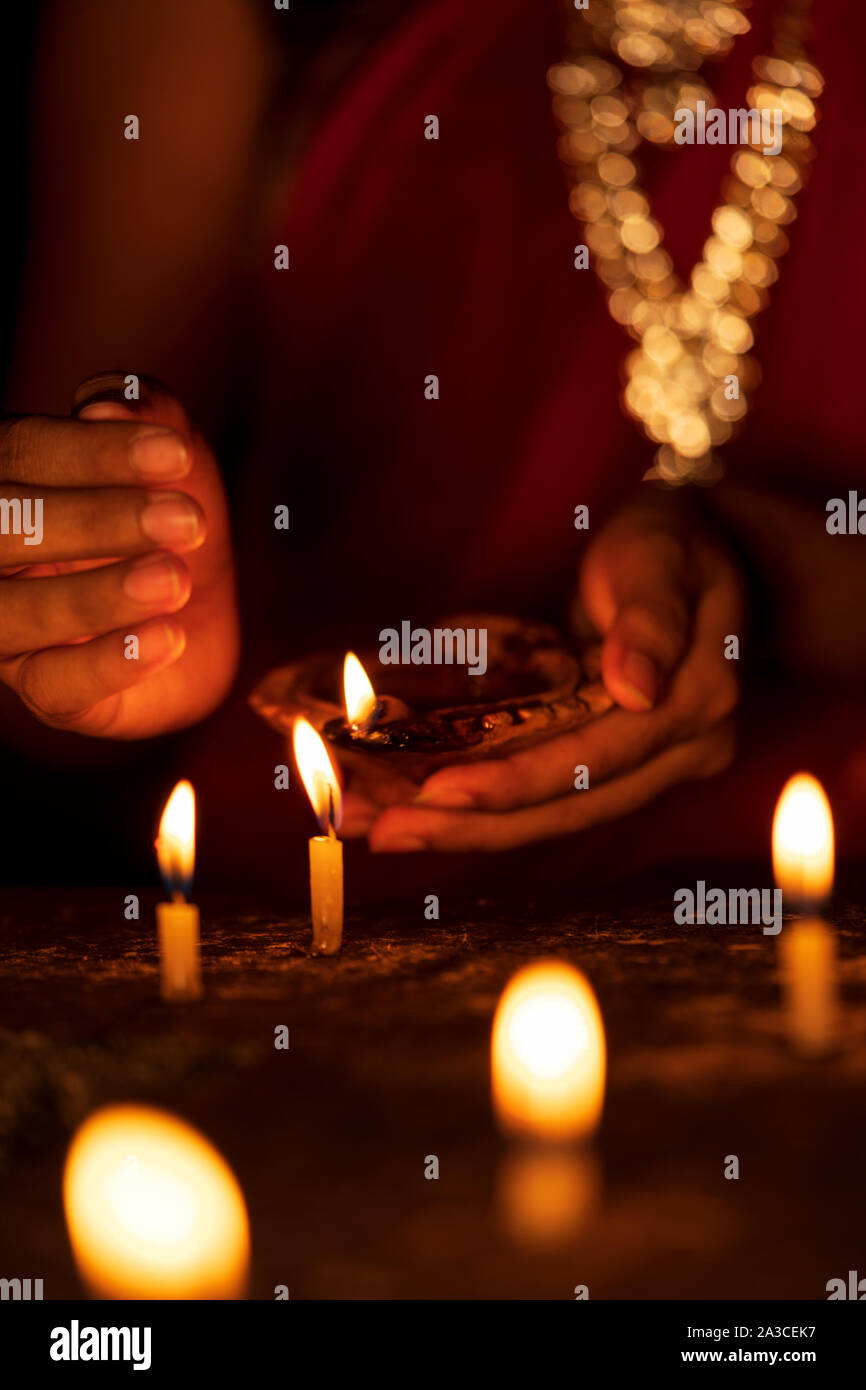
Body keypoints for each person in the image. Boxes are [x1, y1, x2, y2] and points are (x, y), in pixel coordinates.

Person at [1, 0, 863, 891]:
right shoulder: (210, 25)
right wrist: (109, 612)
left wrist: (771, 574)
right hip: (303, 941)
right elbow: (33, 691)